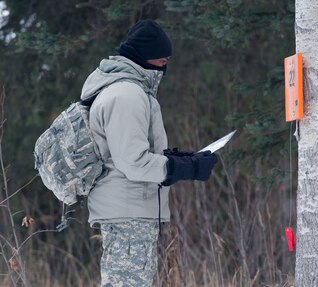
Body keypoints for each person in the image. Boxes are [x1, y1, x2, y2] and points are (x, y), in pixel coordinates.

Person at [79, 19, 218, 287]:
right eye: (163, 59)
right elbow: (134, 163)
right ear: (146, 57)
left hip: (128, 208)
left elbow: (130, 154)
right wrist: (188, 168)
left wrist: (183, 159)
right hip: (128, 209)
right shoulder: (126, 95)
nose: (165, 66)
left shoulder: (125, 90)